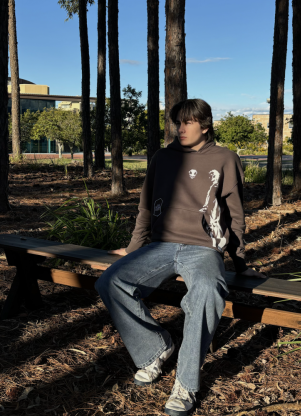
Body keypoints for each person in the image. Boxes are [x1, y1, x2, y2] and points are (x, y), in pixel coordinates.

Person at [95, 98, 265, 416]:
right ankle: (156, 348)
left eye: (188, 122)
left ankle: (185, 383)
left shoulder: (225, 158)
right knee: (111, 281)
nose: (181, 128)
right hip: (160, 246)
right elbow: (146, 207)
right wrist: (133, 249)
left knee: (207, 292)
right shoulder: (163, 158)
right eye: (178, 122)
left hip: (204, 248)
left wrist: (240, 262)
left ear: (206, 125)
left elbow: (235, 215)